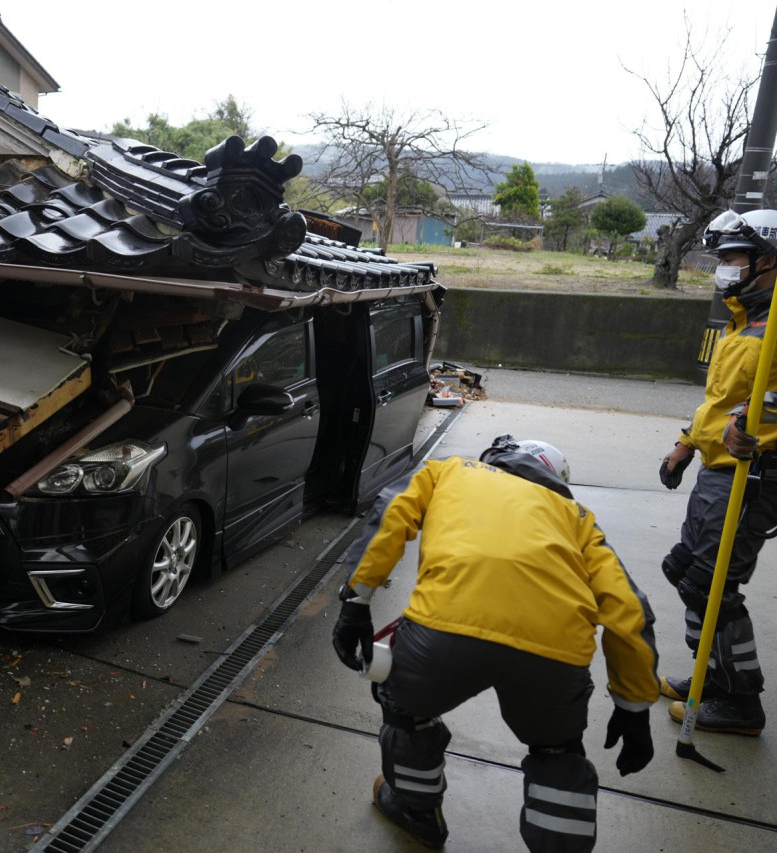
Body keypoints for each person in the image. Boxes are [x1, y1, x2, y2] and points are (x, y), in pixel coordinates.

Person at [333, 436, 659, 851]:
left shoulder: (448, 470)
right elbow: (629, 609)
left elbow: (390, 514)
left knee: (403, 707)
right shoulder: (577, 516)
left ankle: (417, 811)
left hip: (443, 632)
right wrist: (634, 707)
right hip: (554, 654)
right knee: (558, 752)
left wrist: (356, 601)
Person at [657, 208, 777, 736]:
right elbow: (723, 402)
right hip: (715, 473)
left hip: (753, 477)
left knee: (711, 587)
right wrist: (686, 444)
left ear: (768, 259)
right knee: (685, 572)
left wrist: (761, 425)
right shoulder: (745, 318)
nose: (723, 268)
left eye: (733, 258)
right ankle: (710, 673)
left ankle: (739, 701)